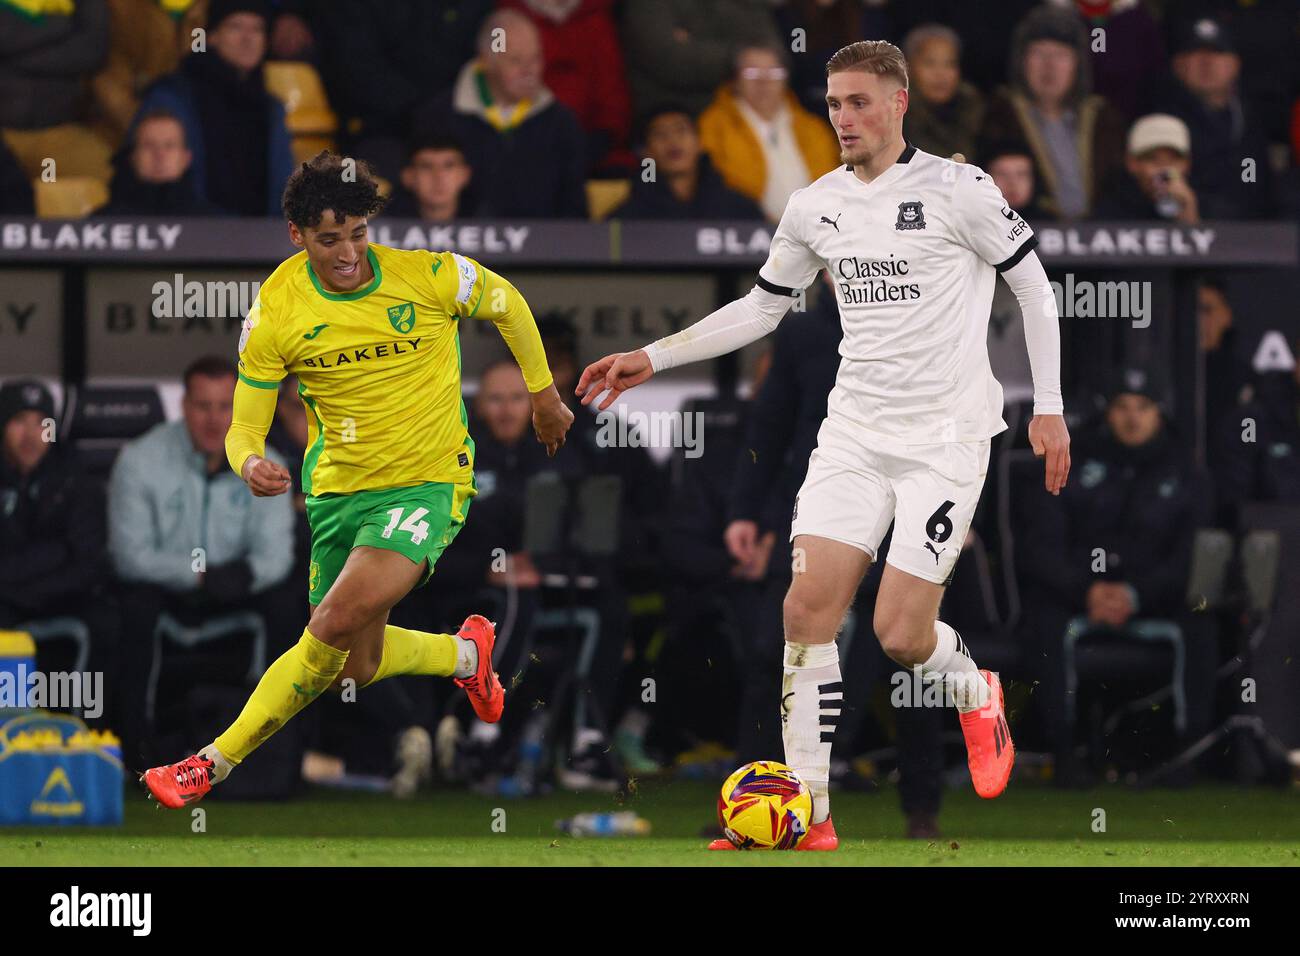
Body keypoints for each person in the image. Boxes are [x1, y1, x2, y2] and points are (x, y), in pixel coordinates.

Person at [577, 40, 1069, 851]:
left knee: (901, 636)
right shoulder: (814, 205)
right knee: (804, 611)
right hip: (852, 437)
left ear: (899, 101)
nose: (843, 117)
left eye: (859, 102)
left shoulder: (959, 188)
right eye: (834, 103)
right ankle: (810, 809)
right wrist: (652, 356)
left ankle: (974, 688)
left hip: (944, 443)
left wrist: (1047, 405)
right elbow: (761, 309)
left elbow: (1034, 285)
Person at [140, 151, 573, 808]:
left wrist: (543, 395)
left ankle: (210, 764)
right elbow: (243, 428)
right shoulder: (276, 312)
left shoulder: (426, 276)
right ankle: (466, 658)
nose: (347, 253)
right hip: (339, 495)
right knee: (355, 662)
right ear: (297, 235)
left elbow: (507, 302)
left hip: (427, 484)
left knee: (332, 620)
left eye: (357, 233)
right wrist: (249, 463)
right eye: (328, 239)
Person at [1016, 369, 1217, 784]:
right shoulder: (1070, 461)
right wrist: (1086, 590)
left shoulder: (1185, 472)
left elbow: (1191, 558)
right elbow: (1039, 547)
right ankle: (1063, 754)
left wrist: (1135, 594)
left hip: (1153, 598)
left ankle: (1188, 756)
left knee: (1202, 616)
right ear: (1107, 413)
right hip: (1078, 597)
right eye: (1122, 407)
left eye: (1143, 408)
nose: (1132, 418)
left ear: (1159, 414)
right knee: (1042, 615)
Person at [109, 357, 297, 762]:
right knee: (130, 605)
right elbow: (129, 556)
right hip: (169, 592)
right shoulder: (140, 460)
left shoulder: (266, 463)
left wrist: (245, 574)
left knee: (288, 604)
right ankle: (136, 752)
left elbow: (276, 555)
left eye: (225, 406)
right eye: (202, 406)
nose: (214, 420)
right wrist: (197, 576)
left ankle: (271, 755)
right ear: (183, 406)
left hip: (238, 591)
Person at [0, 381, 115, 726]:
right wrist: (52, 554)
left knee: (109, 620)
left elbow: (88, 564)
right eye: (19, 421)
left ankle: (94, 738)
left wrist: (25, 588)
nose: (31, 435)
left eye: (42, 423)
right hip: (7, 598)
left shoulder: (75, 477)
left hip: (62, 597)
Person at [412, 9, 587, 219]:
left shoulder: (561, 123)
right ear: (486, 61)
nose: (529, 70)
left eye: (535, 58)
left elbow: (575, 211)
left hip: (544, 248)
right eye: (516, 60)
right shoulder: (439, 117)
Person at [133, 0, 294, 216]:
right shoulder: (173, 96)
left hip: (260, 243)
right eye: (236, 27)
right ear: (212, 36)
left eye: (257, 29)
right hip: (190, 236)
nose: (247, 39)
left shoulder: (270, 108)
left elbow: (281, 192)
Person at [981, 5, 1126, 220]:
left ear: (1078, 65)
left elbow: (1119, 188)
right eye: (1039, 53)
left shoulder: (1105, 120)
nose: (1049, 66)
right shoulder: (1000, 116)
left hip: (1101, 241)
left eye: (1061, 55)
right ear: (1022, 61)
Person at [697, 44, 841, 221]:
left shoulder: (814, 128)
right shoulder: (713, 125)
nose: (763, 81)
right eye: (751, 73)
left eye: (774, 73)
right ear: (734, 80)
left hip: (813, 233)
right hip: (743, 231)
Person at [1152, 15, 1274, 220]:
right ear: (1178, 65)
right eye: (1195, 52)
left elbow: (1259, 189)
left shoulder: (1252, 119)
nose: (1206, 61)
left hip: (1254, 238)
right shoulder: (1160, 122)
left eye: (1217, 52)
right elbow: (1158, 191)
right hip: (1188, 231)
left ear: (1235, 64)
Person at [611, 106, 764, 220]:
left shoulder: (740, 210)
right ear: (647, 152)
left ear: (700, 143)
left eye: (681, 130)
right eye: (660, 134)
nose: (672, 141)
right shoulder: (629, 218)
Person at [99, 109, 223, 216]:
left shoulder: (218, 227)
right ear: (134, 158)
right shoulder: (101, 225)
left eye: (169, 146)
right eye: (149, 145)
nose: (159, 155)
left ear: (186, 158)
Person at [1092, 114, 1200, 223]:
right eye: (1153, 159)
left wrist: (1189, 212)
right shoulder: (1111, 209)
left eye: (1173, 159)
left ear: (1187, 163)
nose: (1164, 169)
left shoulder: (1207, 204)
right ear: (1132, 163)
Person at [900, 24, 985, 162]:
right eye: (929, 63)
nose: (941, 74)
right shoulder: (896, 121)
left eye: (949, 64)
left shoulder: (976, 115)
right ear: (907, 67)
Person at [384, 136, 474, 221]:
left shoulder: (486, 219)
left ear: (465, 174)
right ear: (408, 176)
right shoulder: (379, 224)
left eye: (448, 166)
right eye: (426, 166)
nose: (438, 177)